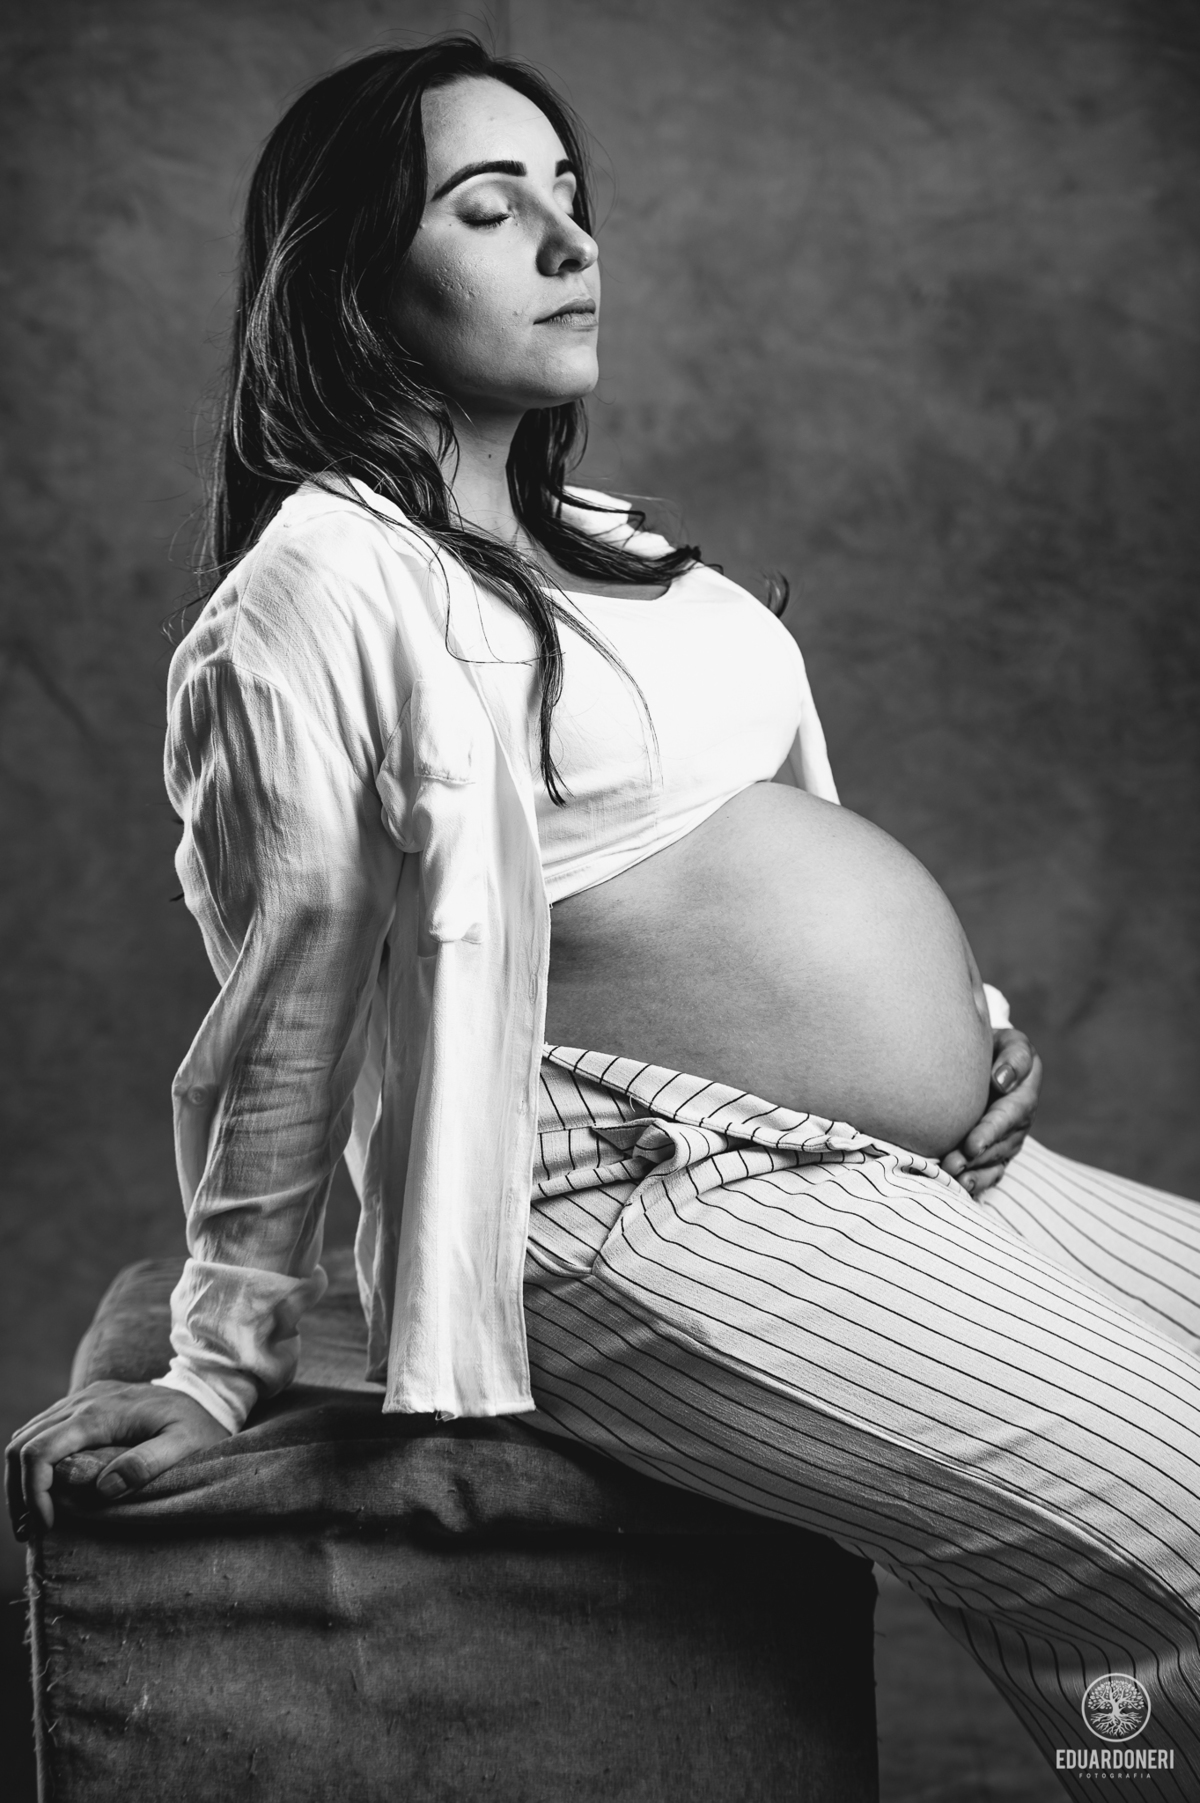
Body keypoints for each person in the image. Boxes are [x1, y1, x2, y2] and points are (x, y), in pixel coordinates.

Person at [9, 36, 1200, 1794]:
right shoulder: (313, 596)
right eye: (493, 210)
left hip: (902, 1161)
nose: (571, 244)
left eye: (574, 200)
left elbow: (778, 830)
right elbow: (288, 1006)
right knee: (1172, 1490)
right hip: (622, 1196)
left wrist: (966, 1029)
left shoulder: (609, 539)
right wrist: (216, 1360)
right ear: (349, 275)